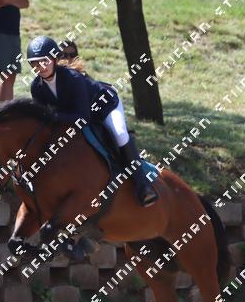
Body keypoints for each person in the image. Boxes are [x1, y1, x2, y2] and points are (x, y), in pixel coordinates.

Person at [26, 36, 157, 207]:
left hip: (105, 106)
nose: (40, 66)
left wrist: (53, 116)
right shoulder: (36, 87)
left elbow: (83, 118)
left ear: (54, 59)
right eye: (35, 63)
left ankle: (143, 185)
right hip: (76, 113)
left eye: (44, 61)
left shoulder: (73, 78)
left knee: (120, 134)